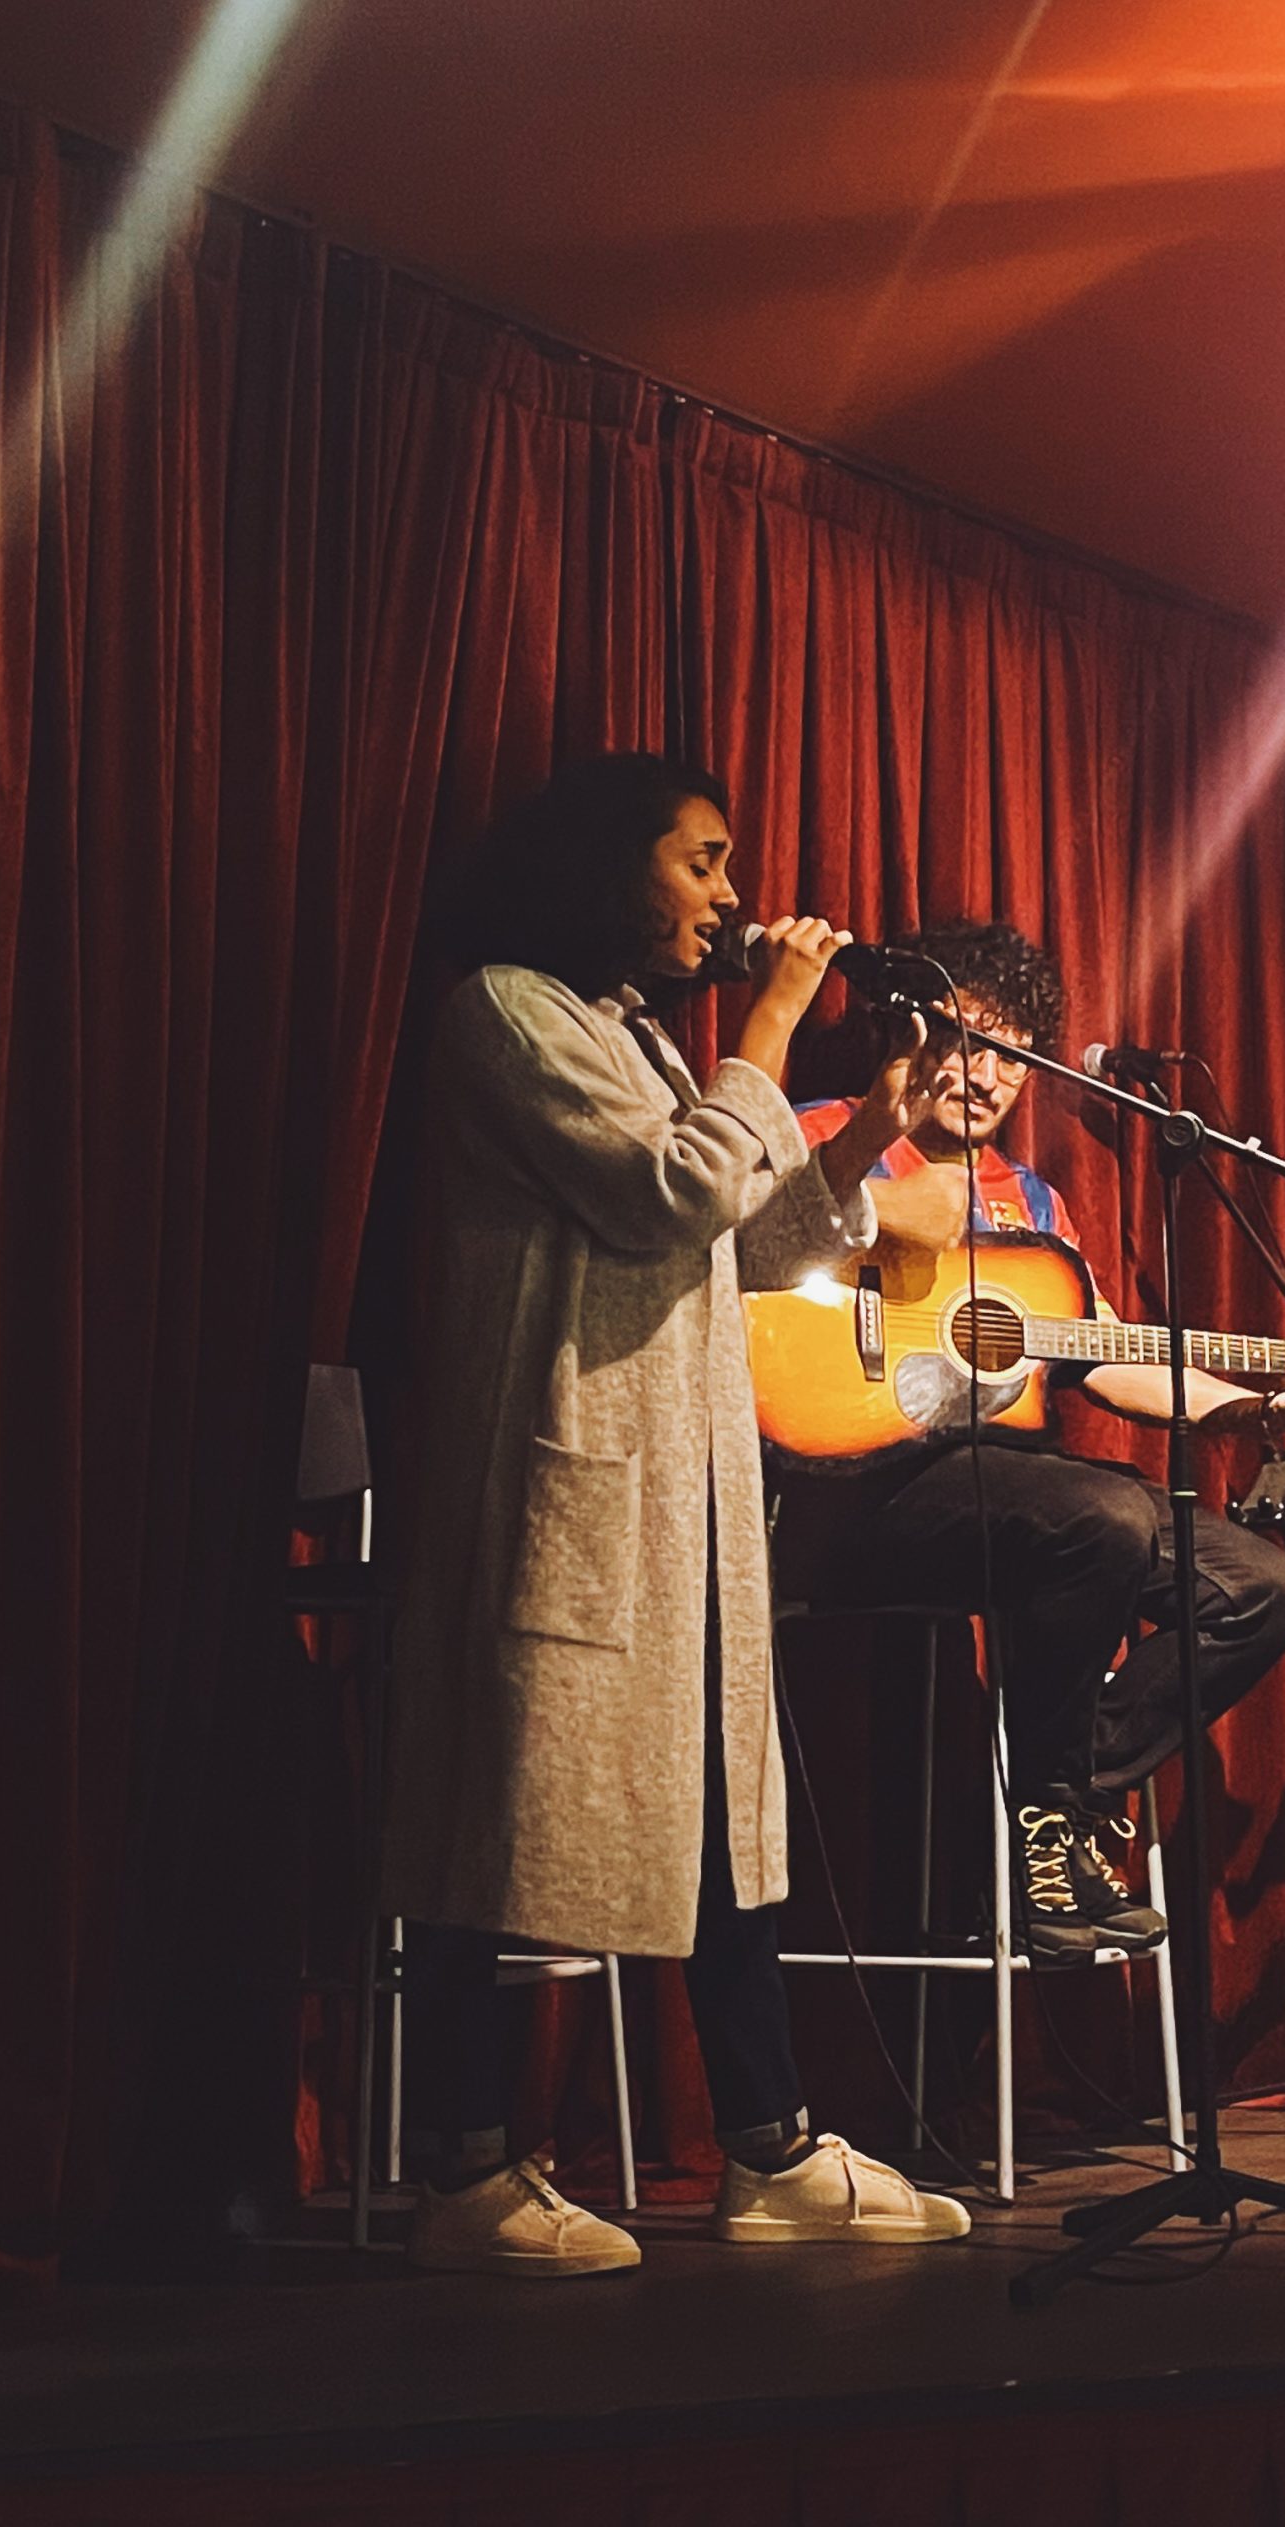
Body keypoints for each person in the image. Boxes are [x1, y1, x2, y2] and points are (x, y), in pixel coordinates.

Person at [377, 753, 971, 2275]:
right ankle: (460, 2169)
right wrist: (771, 1033)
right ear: (606, 863)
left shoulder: (641, 1037)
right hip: (566, 1484)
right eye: (700, 861)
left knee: (723, 1818)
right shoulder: (506, 1012)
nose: (727, 895)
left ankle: (768, 2146)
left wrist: (855, 1133)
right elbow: (660, 1197)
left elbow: (752, 1236)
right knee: (501, 1812)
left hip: (693, 1494)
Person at [780, 922, 1285, 1959]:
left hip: (1011, 1490)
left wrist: (1256, 1402)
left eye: (1009, 1054)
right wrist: (886, 1180)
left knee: (1262, 1587)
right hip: (845, 1490)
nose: (985, 1073)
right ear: (904, 1032)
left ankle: (1059, 1799)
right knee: (1104, 1510)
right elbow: (773, 1241)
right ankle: (1047, 1810)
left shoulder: (1033, 1202)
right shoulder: (824, 1124)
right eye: (960, 1039)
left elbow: (1097, 1352)